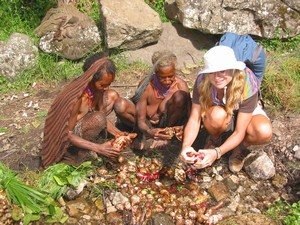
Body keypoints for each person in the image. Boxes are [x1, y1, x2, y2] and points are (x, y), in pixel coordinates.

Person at [180, 46, 272, 173]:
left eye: (222, 71)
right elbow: (194, 119)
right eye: (211, 72)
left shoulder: (247, 83)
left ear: (233, 69)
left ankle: (240, 148)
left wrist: (217, 153)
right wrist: (186, 146)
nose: (217, 77)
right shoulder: (202, 81)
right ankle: (214, 139)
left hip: (244, 112)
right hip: (219, 112)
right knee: (216, 115)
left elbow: (240, 131)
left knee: (264, 131)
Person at [41, 52, 130, 168]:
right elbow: (67, 134)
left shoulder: (96, 90)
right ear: (91, 79)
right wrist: (99, 148)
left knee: (108, 101)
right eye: (103, 85)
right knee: (97, 118)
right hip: (66, 141)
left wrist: (119, 134)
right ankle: (80, 158)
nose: (106, 88)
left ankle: (94, 149)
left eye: (109, 84)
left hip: (83, 127)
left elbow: (102, 115)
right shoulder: (77, 98)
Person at [114, 50, 191, 149]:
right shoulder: (147, 85)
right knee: (121, 105)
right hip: (146, 123)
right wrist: (148, 131)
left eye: (171, 76)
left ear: (175, 71)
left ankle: (165, 136)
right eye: (162, 77)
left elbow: (190, 115)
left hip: (168, 124)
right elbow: (140, 119)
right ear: (156, 73)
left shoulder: (180, 85)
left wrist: (182, 128)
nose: (167, 81)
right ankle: (140, 133)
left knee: (180, 96)